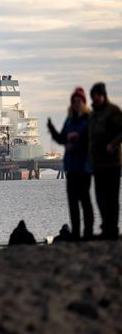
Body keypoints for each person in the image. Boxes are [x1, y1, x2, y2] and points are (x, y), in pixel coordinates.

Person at [47, 87, 94, 240]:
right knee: (72, 202)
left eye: (78, 101)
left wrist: (76, 142)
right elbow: (62, 139)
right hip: (71, 167)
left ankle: (87, 233)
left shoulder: (88, 120)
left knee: (85, 201)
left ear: (83, 102)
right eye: (73, 101)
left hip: (84, 167)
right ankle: (75, 233)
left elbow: (90, 140)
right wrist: (52, 130)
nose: (76, 103)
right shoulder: (69, 120)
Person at [89, 82, 122, 239]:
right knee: (100, 196)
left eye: (97, 96)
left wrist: (113, 144)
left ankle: (112, 228)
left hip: (112, 163)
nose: (95, 99)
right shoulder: (94, 115)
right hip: (98, 163)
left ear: (102, 95)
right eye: (93, 97)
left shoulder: (113, 111)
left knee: (112, 197)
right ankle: (105, 225)